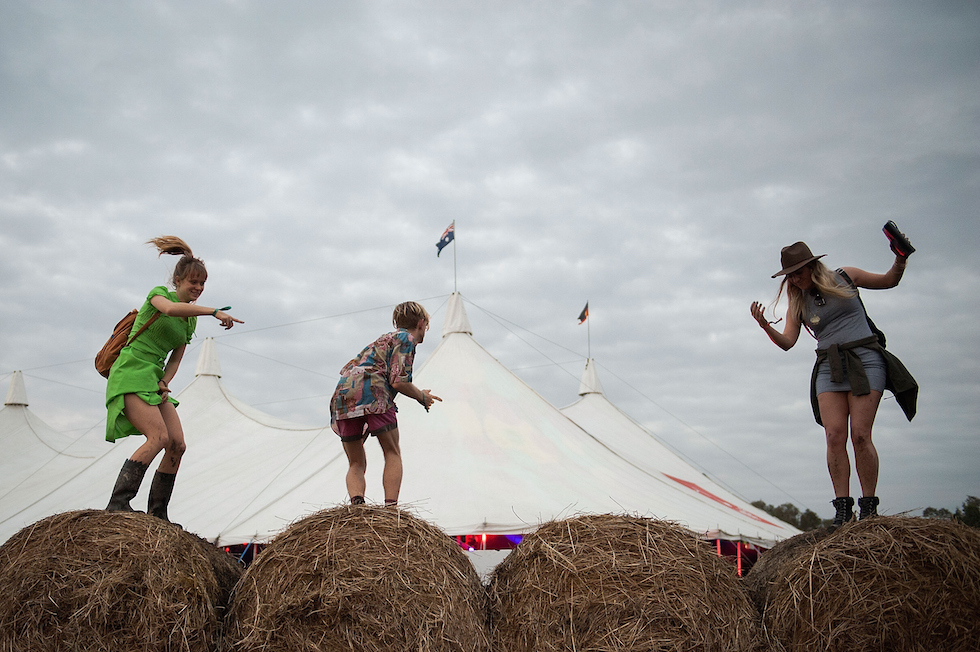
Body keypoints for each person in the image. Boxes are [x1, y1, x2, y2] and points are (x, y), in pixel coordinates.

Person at [750, 237, 915, 527]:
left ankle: (868, 507)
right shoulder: (798, 301)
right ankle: (842, 509)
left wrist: (900, 259)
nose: (795, 279)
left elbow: (890, 281)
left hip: (865, 359)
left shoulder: (845, 277)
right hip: (828, 366)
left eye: (799, 272)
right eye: (790, 275)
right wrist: (765, 327)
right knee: (833, 436)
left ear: (812, 266)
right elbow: (788, 341)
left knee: (860, 435)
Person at [105, 236, 243, 521]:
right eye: (193, 282)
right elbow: (170, 310)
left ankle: (158, 513)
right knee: (157, 437)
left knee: (177, 444)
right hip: (131, 370)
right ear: (177, 280)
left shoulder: (190, 320)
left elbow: (176, 357)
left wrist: (165, 381)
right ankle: (118, 504)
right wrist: (213, 311)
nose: (198, 288)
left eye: (202, 284)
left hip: (154, 377)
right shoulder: (159, 295)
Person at [330, 301, 441, 507]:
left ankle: (357, 506)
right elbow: (398, 381)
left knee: (355, 461)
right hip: (373, 392)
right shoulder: (406, 338)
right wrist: (421, 397)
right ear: (421, 323)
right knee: (392, 452)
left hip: (343, 396)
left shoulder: (381, 340)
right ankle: (390, 510)